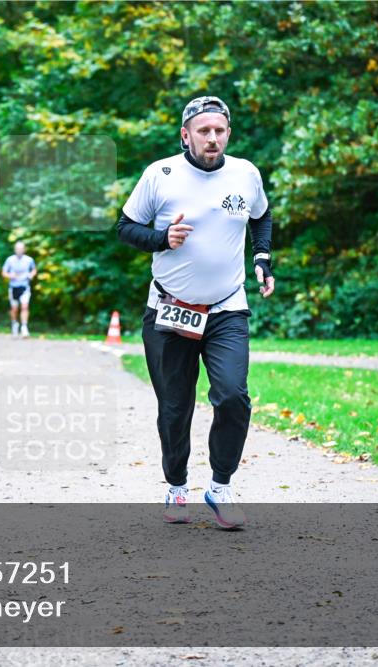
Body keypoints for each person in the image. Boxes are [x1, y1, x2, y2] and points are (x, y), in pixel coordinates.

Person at [116, 96, 275, 529]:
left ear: (228, 134)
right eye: (204, 131)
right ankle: (176, 485)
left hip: (227, 307)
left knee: (233, 395)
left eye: (219, 130)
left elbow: (261, 217)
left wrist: (262, 258)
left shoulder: (245, 174)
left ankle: (220, 487)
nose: (212, 138)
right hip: (169, 310)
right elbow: (125, 227)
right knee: (174, 407)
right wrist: (162, 238)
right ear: (185, 135)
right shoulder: (160, 175)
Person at [1, 240, 37, 338]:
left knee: (25, 306)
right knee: (14, 309)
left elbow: (34, 270)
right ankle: (14, 324)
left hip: (25, 287)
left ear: (24, 249)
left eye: (21, 248)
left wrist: (31, 275)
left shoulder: (29, 260)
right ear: (14, 249)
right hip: (13, 287)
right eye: (17, 248)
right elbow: (3, 273)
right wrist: (10, 275)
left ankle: (24, 327)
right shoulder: (10, 260)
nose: (19, 250)